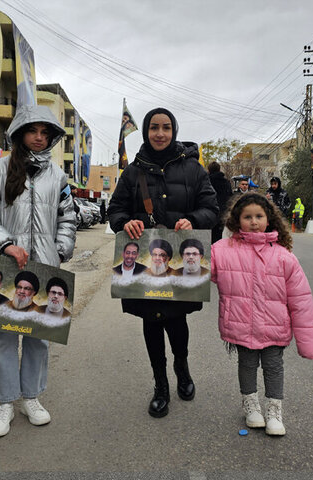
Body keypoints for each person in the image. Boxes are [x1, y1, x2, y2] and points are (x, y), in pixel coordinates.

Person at [0, 104, 76, 438]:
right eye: (33, 131)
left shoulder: (58, 176)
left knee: (38, 336)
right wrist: (5, 244)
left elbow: (68, 218)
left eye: (46, 133)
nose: (40, 138)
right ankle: (4, 402)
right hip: (3, 264)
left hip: (45, 265)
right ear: (19, 133)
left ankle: (31, 396)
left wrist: (59, 251)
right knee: (3, 334)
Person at [107, 107, 218, 418]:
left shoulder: (194, 170)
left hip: (180, 260)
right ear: (146, 131)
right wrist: (124, 223)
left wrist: (192, 219)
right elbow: (115, 210)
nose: (159, 133)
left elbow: (212, 208)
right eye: (154, 127)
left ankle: (182, 369)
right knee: (152, 322)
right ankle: (160, 386)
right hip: (145, 261)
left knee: (176, 319)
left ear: (174, 131)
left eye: (166, 128)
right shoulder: (132, 171)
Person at [210, 192, 313, 436]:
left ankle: (274, 410)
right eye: (247, 216)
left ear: (268, 219)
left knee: (273, 367)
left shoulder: (283, 256)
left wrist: (308, 344)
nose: (253, 221)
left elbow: (300, 300)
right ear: (237, 220)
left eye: (258, 216)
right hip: (241, 326)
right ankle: (251, 406)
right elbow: (197, 271)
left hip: (275, 326)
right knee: (247, 365)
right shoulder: (221, 250)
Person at [207, 162, 232, 243]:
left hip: (208, 213)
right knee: (218, 237)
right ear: (219, 169)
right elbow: (230, 197)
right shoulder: (226, 182)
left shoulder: (206, 181)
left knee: (208, 237)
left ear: (209, 170)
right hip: (222, 213)